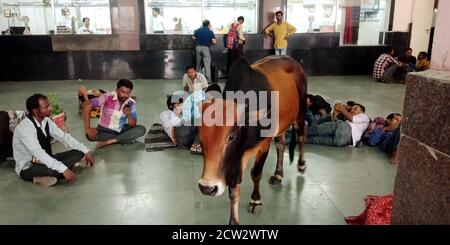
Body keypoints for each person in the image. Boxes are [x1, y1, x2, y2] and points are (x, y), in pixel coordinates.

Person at [13, 94, 95, 187]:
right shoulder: (25, 128)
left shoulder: (47, 121)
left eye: (49, 105)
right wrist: (63, 169)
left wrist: (86, 150)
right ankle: (43, 176)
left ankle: (53, 175)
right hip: (29, 167)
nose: (50, 108)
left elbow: (65, 137)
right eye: (46, 107)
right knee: (52, 170)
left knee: (79, 153)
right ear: (35, 111)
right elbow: (39, 153)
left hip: (47, 159)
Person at [81, 79, 146, 149]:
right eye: (122, 92)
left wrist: (129, 114)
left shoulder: (131, 102)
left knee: (141, 129)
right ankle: (124, 138)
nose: (125, 95)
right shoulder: (107, 97)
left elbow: (132, 125)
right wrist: (87, 128)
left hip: (121, 129)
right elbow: (87, 105)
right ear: (117, 90)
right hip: (104, 129)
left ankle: (108, 142)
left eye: (128, 93)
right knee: (89, 135)